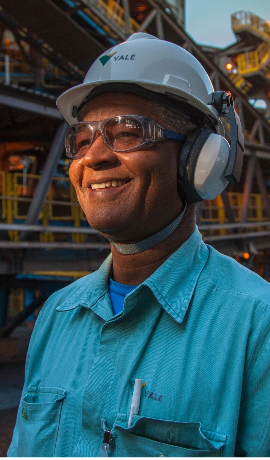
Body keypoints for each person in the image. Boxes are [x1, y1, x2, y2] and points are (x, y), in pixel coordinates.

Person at [8, 33, 270, 459]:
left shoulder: (257, 328)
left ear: (198, 162)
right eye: (83, 138)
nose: (93, 157)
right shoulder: (57, 316)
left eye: (128, 132)